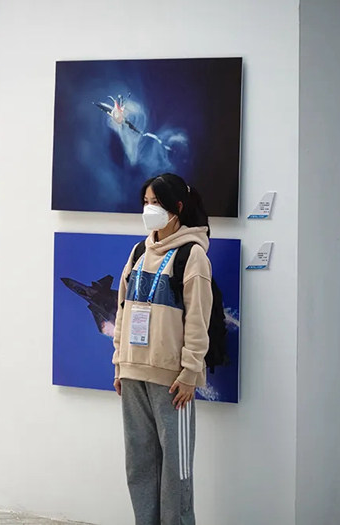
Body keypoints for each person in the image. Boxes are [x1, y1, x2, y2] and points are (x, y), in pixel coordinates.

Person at [112, 173, 212, 525]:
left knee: (176, 470)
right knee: (139, 463)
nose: (149, 209)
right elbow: (122, 309)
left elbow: (198, 319)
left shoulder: (192, 255)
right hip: (132, 371)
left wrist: (190, 372)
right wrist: (119, 361)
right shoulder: (139, 251)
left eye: (156, 203)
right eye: (146, 202)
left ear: (177, 207)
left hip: (172, 380)